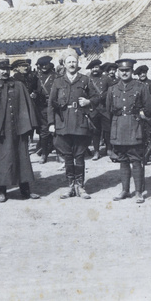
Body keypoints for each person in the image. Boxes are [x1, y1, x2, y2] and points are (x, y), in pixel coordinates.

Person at [0, 61, 40, 202]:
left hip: (18, 129)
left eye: (7, 69)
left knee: (22, 158)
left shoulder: (19, 86)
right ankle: (2, 191)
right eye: (1, 69)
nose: (5, 72)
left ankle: (25, 190)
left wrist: (29, 126)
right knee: (1, 160)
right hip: (0, 131)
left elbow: (27, 106)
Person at [48, 48, 99, 199]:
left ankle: (81, 187)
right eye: (69, 62)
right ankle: (70, 186)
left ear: (78, 64)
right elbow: (51, 104)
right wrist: (51, 123)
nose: (71, 64)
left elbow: (97, 97)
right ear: (64, 64)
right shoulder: (58, 82)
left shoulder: (85, 80)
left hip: (80, 122)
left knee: (80, 155)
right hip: (63, 123)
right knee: (68, 156)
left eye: (74, 62)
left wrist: (88, 101)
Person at [107, 59, 151, 203]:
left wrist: (141, 114)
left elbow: (149, 108)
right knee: (123, 160)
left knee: (136, 160)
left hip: (135, 127)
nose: (124, 73)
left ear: (132, 71)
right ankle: (125, 190)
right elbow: (108, 110)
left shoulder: (140, 87)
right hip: (119, 127)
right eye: (122, 70)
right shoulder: (112, 89)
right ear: (118, 72)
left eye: (127, 70)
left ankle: (138, 192)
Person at [32, 56, 57, 163]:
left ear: (49, 64)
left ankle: (59, 154)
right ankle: (44, 154)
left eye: (46, 64)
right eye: (41, 65)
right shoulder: (36, 77)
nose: (44, 67)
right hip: (42, 107)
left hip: (54, 106)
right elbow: (33, 90)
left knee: (57, 130)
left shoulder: (56, 76)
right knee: (44, 131)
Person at [87, 59, 113, 160]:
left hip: (104, 109)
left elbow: (111, 90)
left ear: (99, 68)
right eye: (93, 68)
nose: (94, 69)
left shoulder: (106, 78)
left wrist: (104, 95)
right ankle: (96, 151)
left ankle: (109, 149)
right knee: (95, 131)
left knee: (107, 130)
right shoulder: (88, 79)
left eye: (96, 67)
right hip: (93, 109)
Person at [135, 65, 151, 162]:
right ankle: (141, 153)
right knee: (140, 133)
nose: (142, 75)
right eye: (140, 73)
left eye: (144, 73)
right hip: (139, 113)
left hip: (149, 113)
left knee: (150, 133)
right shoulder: (136, 84)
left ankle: (150, 152)